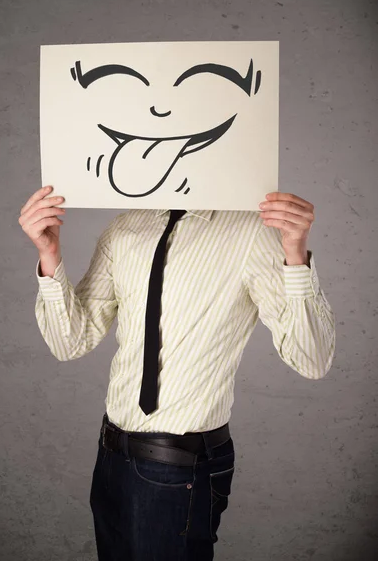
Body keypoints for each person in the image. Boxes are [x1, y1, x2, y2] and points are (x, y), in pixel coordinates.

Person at [18, 185, 335, 561]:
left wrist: (296, 254)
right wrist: (49, 254)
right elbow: (70, 342)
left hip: (179, 467)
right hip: (111, 457)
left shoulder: (253, 232)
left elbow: (312, 360)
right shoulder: (124, 228)